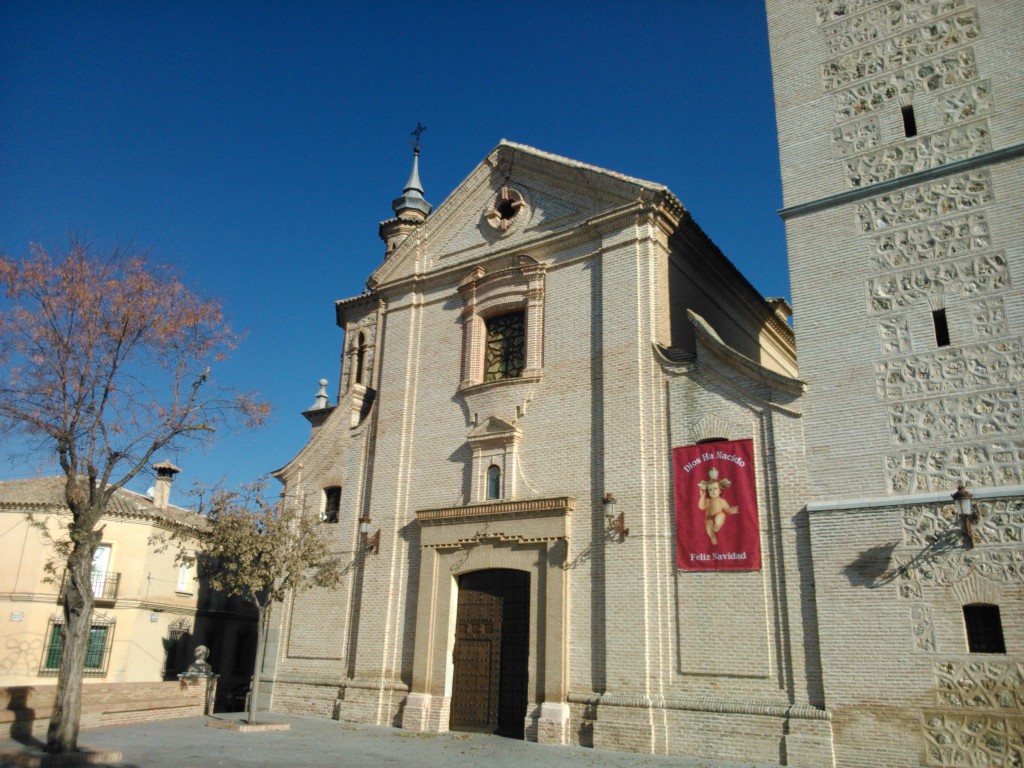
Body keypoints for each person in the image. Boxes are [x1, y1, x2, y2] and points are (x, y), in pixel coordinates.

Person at [698, 468, 739, 545]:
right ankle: (712, 537)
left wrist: (731, 511)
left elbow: (727, 509)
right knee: (708, 527)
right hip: (709, 518)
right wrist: (702, 496)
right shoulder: (707, 500)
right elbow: (701, 507)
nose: (713, 491)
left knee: (721, 515)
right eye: (710, 490)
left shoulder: (722, 501)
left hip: (718, 516)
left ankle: (717, 526)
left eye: (715, 489)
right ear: (707, 492)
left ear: (720, 490)